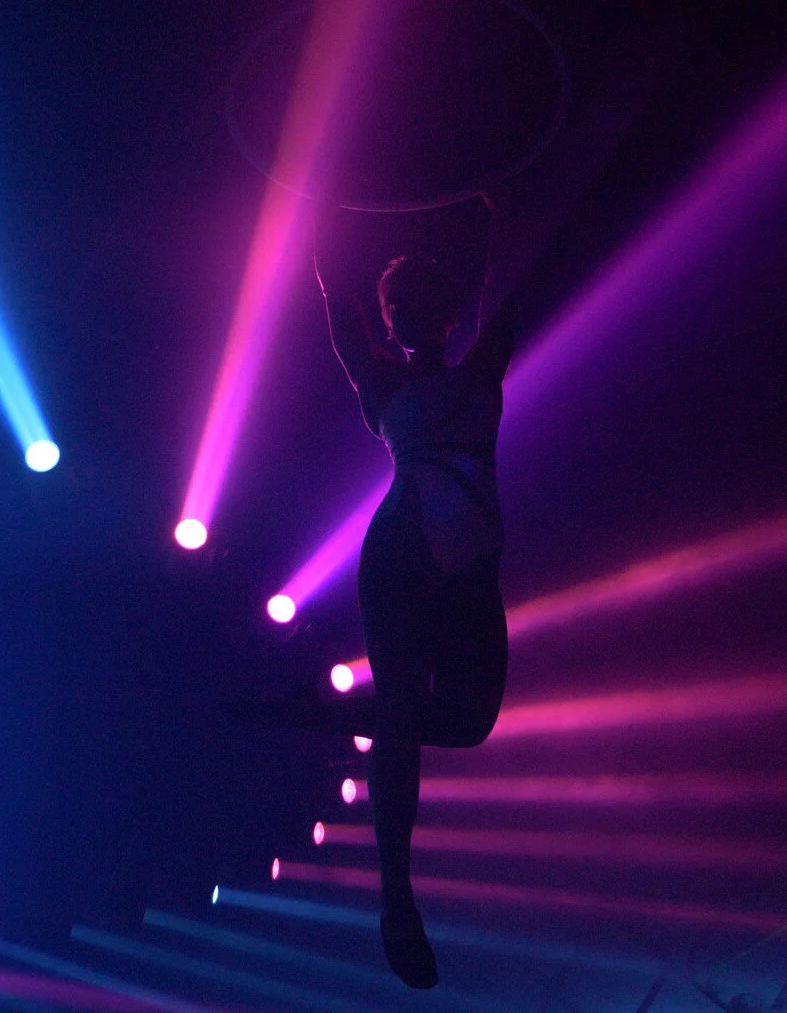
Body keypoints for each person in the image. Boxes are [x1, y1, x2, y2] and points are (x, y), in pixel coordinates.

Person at [314, 216, 517, 989]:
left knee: (470, 720)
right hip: (401, 550)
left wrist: (498, 201)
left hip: (469, 563)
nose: (397, 316)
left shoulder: (478, 367)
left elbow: (511, 299)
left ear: (444, 311)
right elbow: (341, 314)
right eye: (391, 305)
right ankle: (395, 895)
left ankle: (364, 717)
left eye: (411, 301)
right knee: (404, 707)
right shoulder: (381, 380)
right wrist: (310, 207)